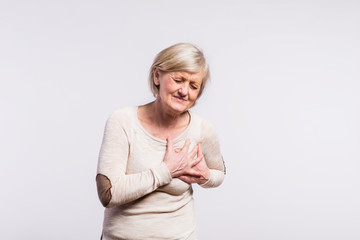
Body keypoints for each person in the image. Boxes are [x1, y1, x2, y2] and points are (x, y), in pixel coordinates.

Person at [96, 43, 226, 240]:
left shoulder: (202, 129)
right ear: (157, 76)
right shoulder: (122, 121)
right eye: (178, 80)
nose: (184, 91)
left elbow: (219, 174)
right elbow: (109, 194)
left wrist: (205, 175)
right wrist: (166, 170)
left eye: (193, 86)